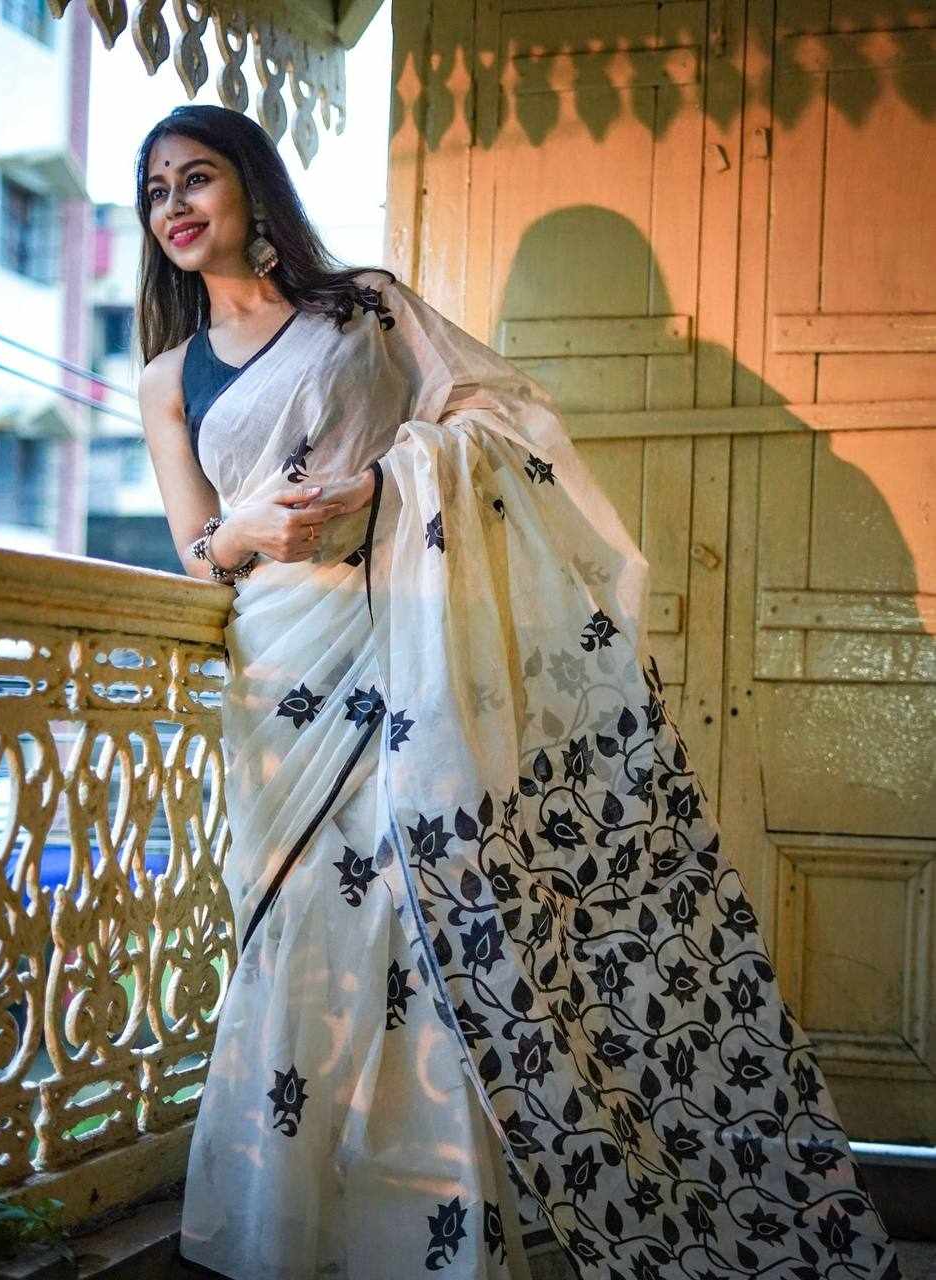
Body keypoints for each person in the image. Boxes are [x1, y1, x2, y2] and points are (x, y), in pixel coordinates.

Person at [135, 104, 901, 1280]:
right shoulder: (166, 374)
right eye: (155, 192)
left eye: (195, 178)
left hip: (404, 654)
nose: (174, 207)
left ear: (252, 187)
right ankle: (291, 1232)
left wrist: (387, 485)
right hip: (282, 683)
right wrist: (244, 530)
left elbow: (504, 416)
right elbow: (196, 549)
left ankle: (431, 1245)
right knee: (300, 936)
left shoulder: (365, 308)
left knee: (423, 929)